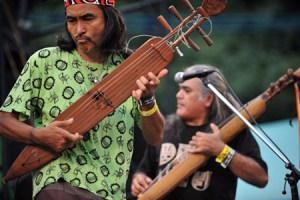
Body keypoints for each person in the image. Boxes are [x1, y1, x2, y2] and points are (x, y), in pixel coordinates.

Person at [0, 1, 168, 200]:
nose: (79, 29)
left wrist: (147, 99)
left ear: (110, 20)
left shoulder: (129, 70)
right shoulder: (44, 61)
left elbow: (155, 138)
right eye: (72, 20)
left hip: (112, 193)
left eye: (88, 18)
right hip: (59, 185)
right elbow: (4, 120)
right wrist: (39, 135)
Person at [130, 64, 268, 200]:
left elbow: (261, 178)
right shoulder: (164, 128)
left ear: (208, 99)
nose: (178, 95)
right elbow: (144, 171)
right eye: (179, 90)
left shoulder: (229, 131)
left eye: (187, 91)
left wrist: (221, 150)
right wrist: (139, 180)